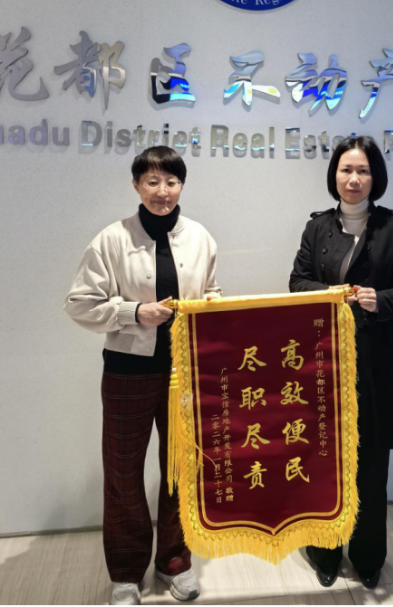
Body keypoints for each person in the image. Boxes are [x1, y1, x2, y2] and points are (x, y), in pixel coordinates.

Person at [65, 146, 221, 606]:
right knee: (123, 474)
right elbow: (79, 303)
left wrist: (213, 304)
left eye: (171, 182)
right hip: (127, 373)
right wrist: (134, 312)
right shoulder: (111, 239)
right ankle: (126, 573)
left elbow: (212, 291)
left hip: (185, 374)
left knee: (182, 471)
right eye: (152, 182)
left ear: (181, 186)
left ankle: (175, 562)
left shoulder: (200, 237)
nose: (162, 191)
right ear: (135, 185)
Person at [289, 135, 393, 590]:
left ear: (374, 177)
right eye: (346, 170)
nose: (354, 179)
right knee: (323, 456)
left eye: (362, 170)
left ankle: (367, 556)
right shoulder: (317, 228)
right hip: (324, 356)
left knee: (372, 461)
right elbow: (297, 281)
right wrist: (329, 295)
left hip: (377, 358)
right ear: (335, 175)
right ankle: (324, 551)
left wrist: (379, 300)